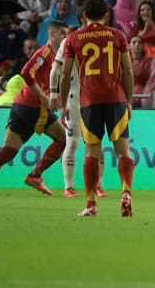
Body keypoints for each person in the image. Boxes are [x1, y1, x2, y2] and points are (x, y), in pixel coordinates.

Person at [0, 21, 68, 197]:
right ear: (52, 35)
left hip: (21, 106)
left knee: (8, 151)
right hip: (33, 106)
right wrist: (42, 96)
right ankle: (35, 175)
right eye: (62, 33)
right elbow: (26, 72)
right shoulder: (45, 53)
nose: (65, 37)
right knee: (64, 138)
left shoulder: (57, 57)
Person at [60, 0, 136, 217]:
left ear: (84, 16)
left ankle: (91, 204)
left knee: (92, 151)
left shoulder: (73, 38)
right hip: (116, 98)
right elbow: (128, 71)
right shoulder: (118, 35)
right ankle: (126, 192)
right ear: (106, 15)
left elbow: (65, 75)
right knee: (123, 151)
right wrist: (129, 101)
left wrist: (64, 103)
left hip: (89, 101)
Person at [49, 16, 106, 198]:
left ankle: (98, 185)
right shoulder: (69, 42)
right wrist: (53, 95)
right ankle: (69, 186)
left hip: (94, 99)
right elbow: (56, 70)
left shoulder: (99, 41)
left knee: (96, 144)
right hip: (74, 99)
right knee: (72, 142)